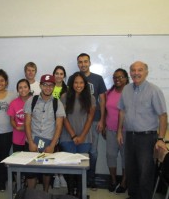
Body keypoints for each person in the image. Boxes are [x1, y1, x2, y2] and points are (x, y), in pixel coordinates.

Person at [117, 61, 168, 199]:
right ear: (130, 73)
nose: (136, 73)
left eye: (140, 70)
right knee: (131, 169)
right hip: (129, 136)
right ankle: (133, 196)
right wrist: (119, 132)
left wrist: (161, 139)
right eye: (133, 70)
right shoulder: (126, 89)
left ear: (146, 72)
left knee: (145, 172)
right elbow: (122, 111)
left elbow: (163, 116)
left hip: (147, 138)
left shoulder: (154, 90)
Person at [68, 53, 107, 190]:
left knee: (93, 152)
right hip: (78, 122)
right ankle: (78, 182)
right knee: (78, 152)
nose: (83, 64)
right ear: (77, 64)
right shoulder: (74, 79)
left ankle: (90, 179)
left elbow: (102, 100)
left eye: (85, 61)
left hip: (95, 120)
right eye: (80, 62)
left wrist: (102, 119)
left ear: (90, 63)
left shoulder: (98, 78)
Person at [24, 74, 65, 192]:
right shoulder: (32, 100)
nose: (48, 88)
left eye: (51, 85)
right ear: (41, 86)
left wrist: (52, 146)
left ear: (54, 87)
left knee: (47, 173)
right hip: (32, 142)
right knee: (31, 172)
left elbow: (59, 126)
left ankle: (45, 193)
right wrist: (31, 143)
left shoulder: (58, 103)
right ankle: (31, 194)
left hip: (49, 144)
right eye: (45, 85)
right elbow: (27, 123)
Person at [60, 72, 95, 197]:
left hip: (85, 137)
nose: (78, 85)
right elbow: (63, 118)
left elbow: (90, 118)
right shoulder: (64, 97)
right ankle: (70, 193)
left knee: (81, 166)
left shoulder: (91, 98)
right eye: (76, 82)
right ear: (71, 83)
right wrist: (74, 136)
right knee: (69, 166)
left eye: (81, 82)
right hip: (67, 137)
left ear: (85, 84)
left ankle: (80, 193)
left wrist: (81, 136)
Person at [103, 68, 129, 193]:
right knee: (110, 155)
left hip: (126, 131)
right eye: (115, 77)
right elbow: (105, 110)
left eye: (120, 77)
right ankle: (113, 180)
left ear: (126, 78)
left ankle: (124, 182)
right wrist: (103, 125)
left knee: (125, 157)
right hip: (110, 130)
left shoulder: (130, 92)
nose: (117, 79)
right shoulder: (109, 92)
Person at [52, 65, 68, 189]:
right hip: (49, 123)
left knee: (61, 149)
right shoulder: (48, 87)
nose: (58, 76)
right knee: (52, 149)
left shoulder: (67, 90)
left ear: (64, 76)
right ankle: (55, 176)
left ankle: (61, 174)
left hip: (62, 123)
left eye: (61, 73)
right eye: (56, 73)